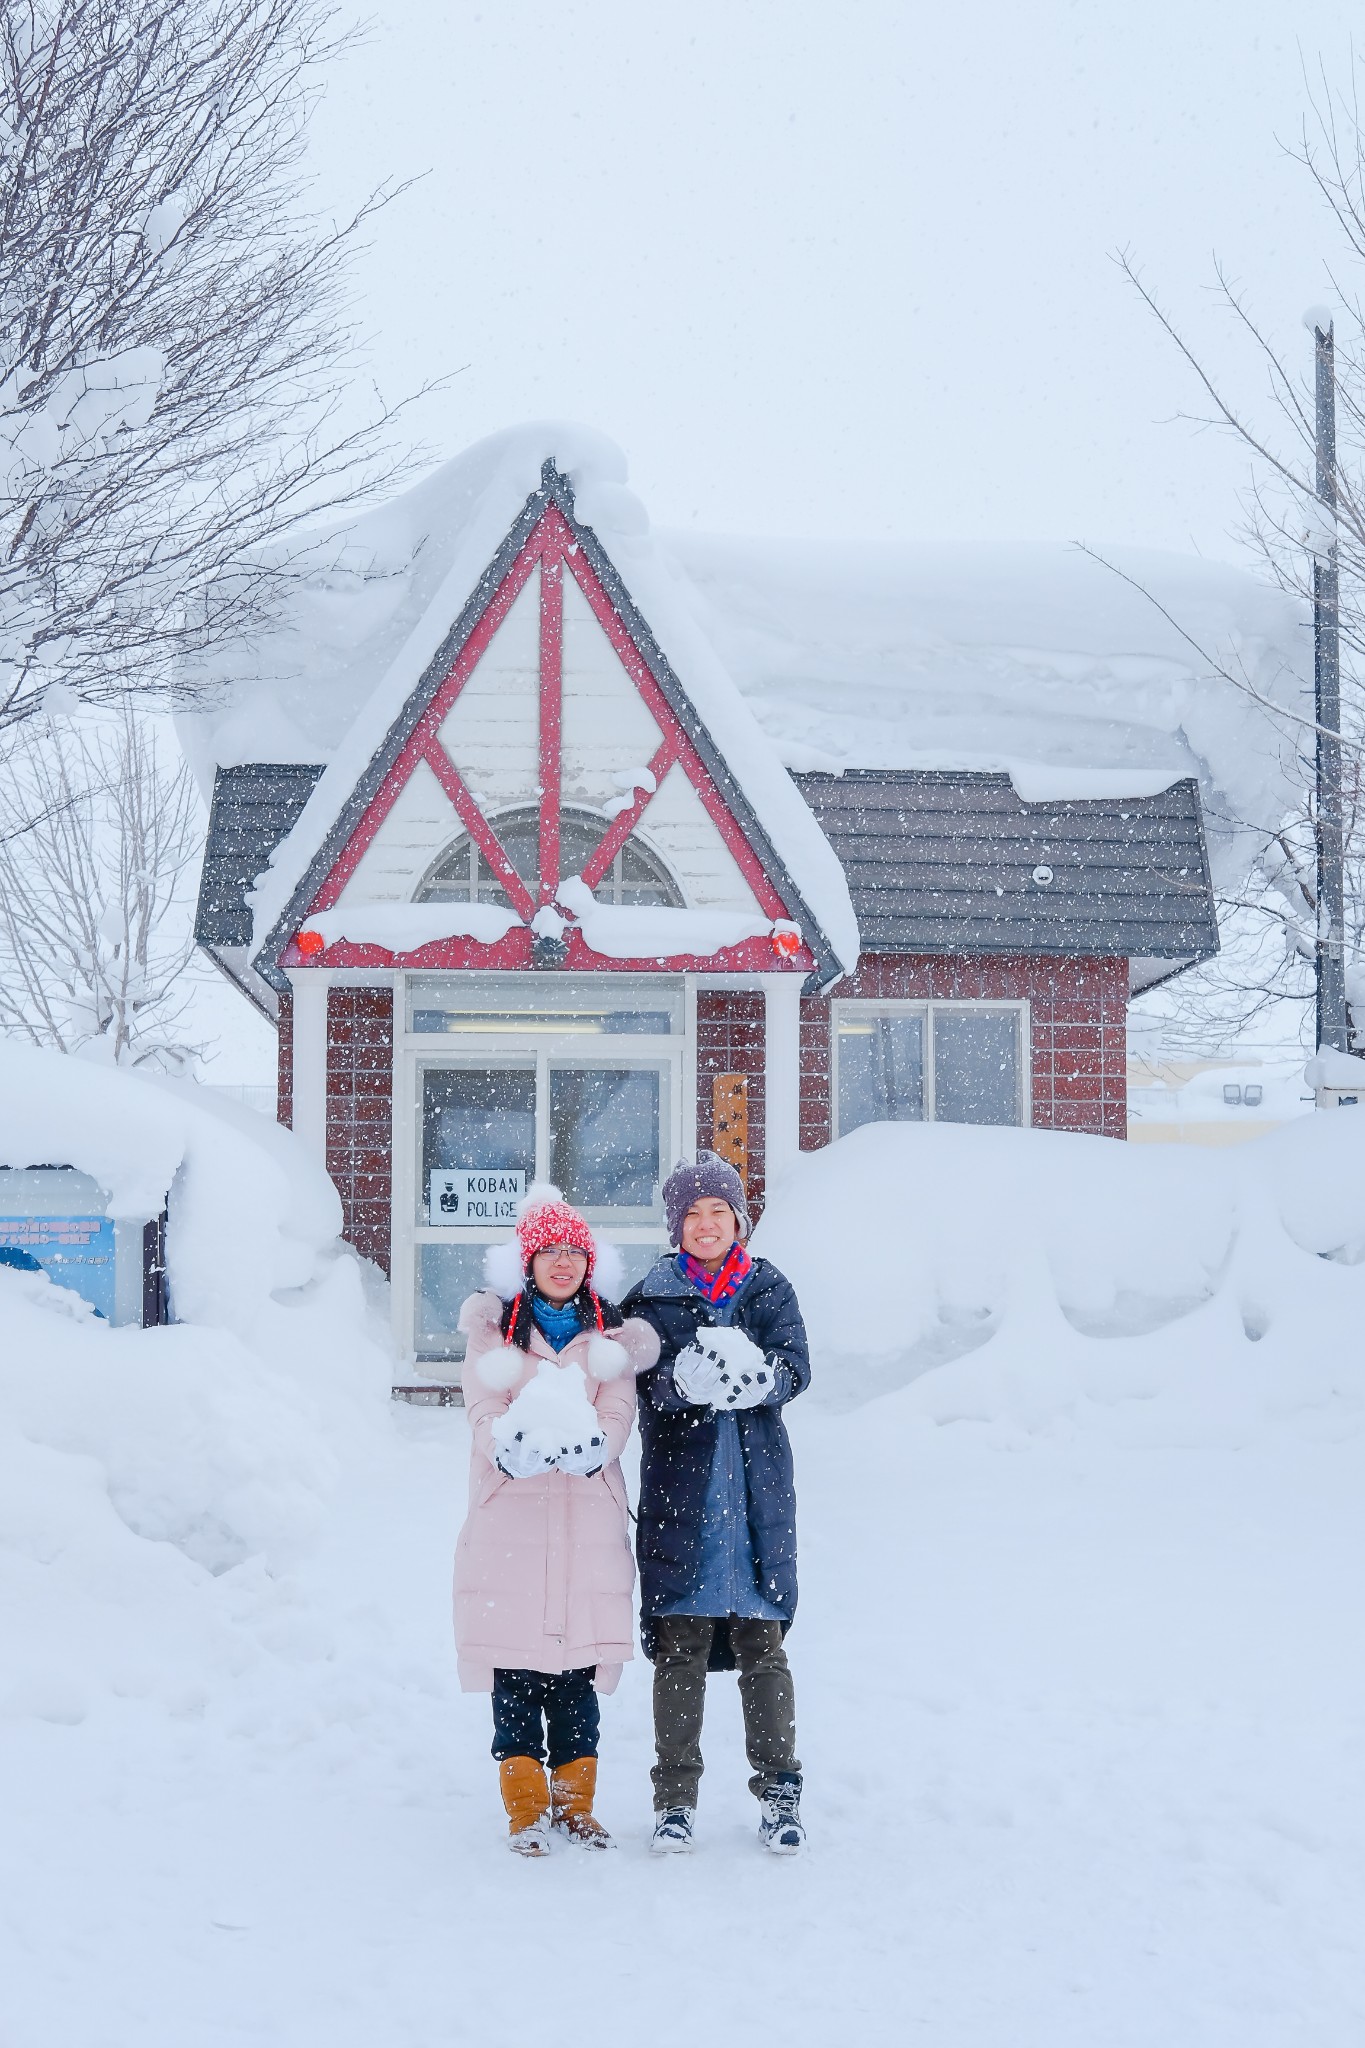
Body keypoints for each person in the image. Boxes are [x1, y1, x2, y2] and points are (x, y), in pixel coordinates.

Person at [454, 1186, 660, 1856]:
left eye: (575, 1252)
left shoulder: (608, 1341)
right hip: (509, 1520)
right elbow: (483, 1409)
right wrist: (506, 1446)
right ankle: (524, 1809)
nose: (563, 1263)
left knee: (577, 1673)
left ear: (589, 1264)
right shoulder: (493, 1336)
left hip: (584, 1518)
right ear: (528, 1263)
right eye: (550, 1253)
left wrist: (596, 1446)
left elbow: (618, 1410)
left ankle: (576, 1808)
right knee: (515, 1671)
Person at [622, 1153, 811, 1855]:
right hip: (684, 1498)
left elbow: (796, 1366)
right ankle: (675, 1801)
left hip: (757, 1495)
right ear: (676, 1225)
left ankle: (781, 1792)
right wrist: (679, 1384)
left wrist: (764, 1381)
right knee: (682, 1647)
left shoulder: (766, 1287)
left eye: (718, 1212)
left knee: (763, 1647)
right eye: (693, 1214)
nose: (706, 1225)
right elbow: (635, 1384)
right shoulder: (652, 1298)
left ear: (738, 1220)